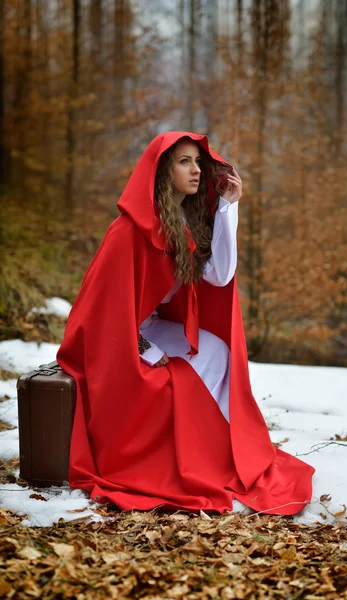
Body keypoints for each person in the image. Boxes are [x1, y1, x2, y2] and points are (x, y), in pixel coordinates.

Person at [57, 131, 315, 515]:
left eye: (198, 162)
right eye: (184, 162)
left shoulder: (182, 221)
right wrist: (146, 349)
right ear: (163, 171)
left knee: (215, 351)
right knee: (180, 368)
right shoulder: (127, 232)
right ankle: (166, 455)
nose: (196, 170)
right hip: (117, 339)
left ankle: (206, 449)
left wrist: (228, 208)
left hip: (147, 325)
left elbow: (219, 276)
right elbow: (101, 315)